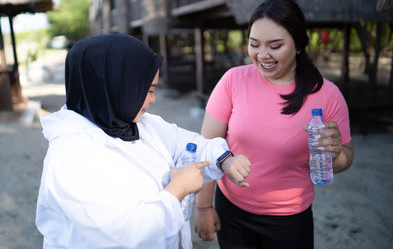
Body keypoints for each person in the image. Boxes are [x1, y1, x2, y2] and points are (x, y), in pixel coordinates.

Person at [35, 33, 251, 249]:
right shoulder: (72, 155)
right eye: (147, 90)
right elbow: (121, 236)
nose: (153, 99)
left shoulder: (136, 123)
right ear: (116, 87)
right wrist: (177, 190)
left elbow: (188, 143)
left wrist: (224, 159)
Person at [194, 0, 354, 249]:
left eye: (275, 46)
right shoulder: (233, 81)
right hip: (232, 212)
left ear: (299, 45)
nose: (262, 55)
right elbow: (207, 147)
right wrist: (204, 206)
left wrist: (335, 152)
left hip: (290, 220)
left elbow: (346, 159)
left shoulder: (327, 94)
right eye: (254, 44)